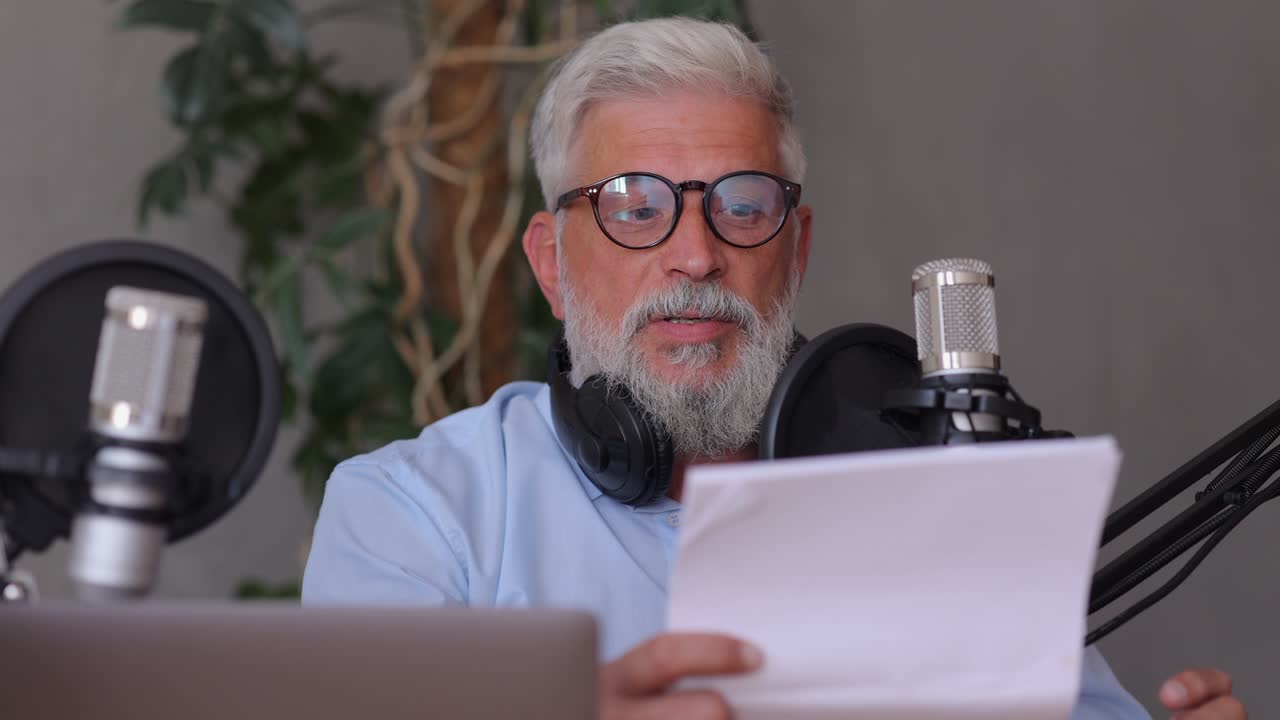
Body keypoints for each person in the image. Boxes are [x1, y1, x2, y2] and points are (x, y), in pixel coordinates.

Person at [302, 17, 1246, 720]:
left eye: (742, 205)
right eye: (636, 208)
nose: (695, 256)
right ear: (551, 263)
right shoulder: (417, 515)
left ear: (794, 254)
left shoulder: (928, 495)